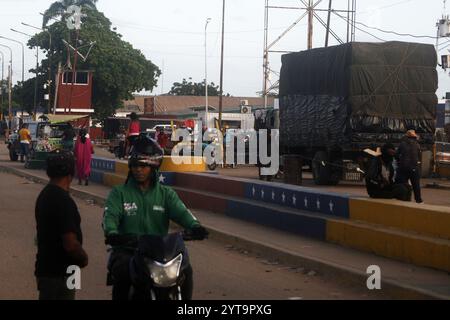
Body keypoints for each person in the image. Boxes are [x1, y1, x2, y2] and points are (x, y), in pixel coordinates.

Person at [102, 135, 208, 300]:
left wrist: (195, 226)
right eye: (135, 165)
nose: (138, 170)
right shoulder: (119, 193)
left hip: (160, 253)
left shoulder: (166, 194)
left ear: (153, 168)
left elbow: (182, 213)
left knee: (186, 270)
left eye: (143, 166)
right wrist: (112, 233)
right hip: (128, 250)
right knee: (122, 271)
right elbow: (110, 216)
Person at [35, 150, 89, 300]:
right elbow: (70, 244)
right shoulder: (63, 200)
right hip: (62, 271)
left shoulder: (45, 194)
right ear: (71, 172)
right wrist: (83, 258)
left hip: (47, 268)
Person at [396, 130, 423, 204]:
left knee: (402, 184)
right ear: (414, 137)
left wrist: (399, 162)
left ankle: (404, 198)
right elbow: (419, 157)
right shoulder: (417, 145)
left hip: (403, 167)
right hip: (414, 167)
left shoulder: (402, 144)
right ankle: (418, 200)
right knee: (416, 185)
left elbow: (397, 155)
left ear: (406, 136)